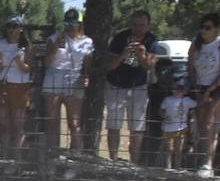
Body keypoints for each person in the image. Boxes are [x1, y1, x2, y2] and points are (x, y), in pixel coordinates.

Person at [105, 9, 158, 162]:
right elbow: (109, 66)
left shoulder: (152, 41)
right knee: (114, 125)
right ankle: (113, 159)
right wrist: (123, 54)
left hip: (138, 87)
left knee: (137, 127)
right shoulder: (120, 38)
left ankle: (135, 161)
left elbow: (149, 66)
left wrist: (142, 54)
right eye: (135, 25)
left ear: (148, 25)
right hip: (116, 85)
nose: (138, 28)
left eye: (142, 25)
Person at [188, 12, 220, 177]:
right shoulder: (196, 44)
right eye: (202, 27)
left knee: (210, 122)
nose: (204, 31)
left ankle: (208, 164)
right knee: (201, 125)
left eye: (207, 27)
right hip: (201, 86)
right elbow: (191, 67)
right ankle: (199, 160)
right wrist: (197, 89)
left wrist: (210, 90)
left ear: (216, 28)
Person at [42, 10, 94, 155]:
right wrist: (54, 48)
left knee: (74, 121)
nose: (71, 26)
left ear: (80, 24)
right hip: (54, 76)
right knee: (52, 120)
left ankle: (76, 154)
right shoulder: (53, 39)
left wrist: (86, 76)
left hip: (74, 78)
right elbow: (46, 63)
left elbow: (87, 64)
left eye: (74, 23)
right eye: (68, 23)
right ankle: (51, 154)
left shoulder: (87, 42)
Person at [0, 16, 31, 160]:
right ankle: (4, 157)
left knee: (18, 125)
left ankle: (17, 158)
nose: (12, 29)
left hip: (20, 86)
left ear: (21, 28)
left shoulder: (26, 46)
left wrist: (20, 64)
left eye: (15, 26)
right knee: (4, 124)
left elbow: (29, 69)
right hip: (2, 84)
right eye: (9, 26)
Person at [160, 79, 195, 170]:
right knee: (169, 149)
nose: (177, 91)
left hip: (182, 128)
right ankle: (168, 167)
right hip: (167, 128)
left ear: (185, 91)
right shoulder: (167, 99)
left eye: (180, 89)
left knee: (178, 149)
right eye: (175, 88)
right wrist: (164, 116)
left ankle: (177, 166)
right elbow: (161, 110)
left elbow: (197, 105)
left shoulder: (188, 101)